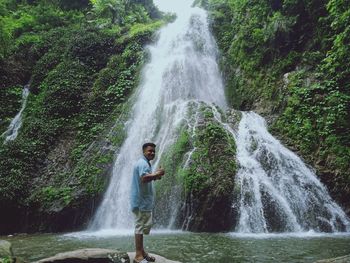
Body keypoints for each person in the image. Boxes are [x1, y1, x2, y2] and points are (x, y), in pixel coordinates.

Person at [131, 142, 165, 263]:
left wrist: (155, 176)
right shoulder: (143, 163)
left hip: (142, 202)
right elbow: (144, 178)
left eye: (153, 151)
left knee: (142, 226)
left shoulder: (144, 163)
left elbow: (146, 178)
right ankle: (138, 256)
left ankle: (142, 251)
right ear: (144, 151)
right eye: (149, 151)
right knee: (140, 227)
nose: (152, 153)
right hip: (141, 202)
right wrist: (157, 174)